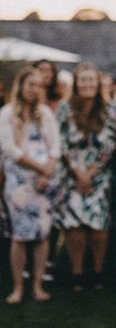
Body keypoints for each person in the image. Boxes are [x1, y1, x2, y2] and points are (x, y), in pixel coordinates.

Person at [0, 66, 61, 303]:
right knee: (20, 235)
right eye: (30, 84)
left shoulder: (45, 113)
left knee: (42, 235)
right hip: (18, 181)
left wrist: (47, 172)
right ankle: (17, 287)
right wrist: (40, 168)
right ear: (21, 86)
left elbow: (55, 146)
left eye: (38, 85)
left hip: (44, 181)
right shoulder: (6, 113)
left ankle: (37, 285)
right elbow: (9, 149)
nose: (34, 89)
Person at [56, 62, 116, 291]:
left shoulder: (110, 109)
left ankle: (99, 272)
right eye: (83, 80)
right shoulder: (65, 108)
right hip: (72, 175)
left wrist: (91, 172)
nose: (87, 84)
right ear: (76, 83)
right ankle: (77, 273)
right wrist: (78, 172)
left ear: (98, 83)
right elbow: (61, 142)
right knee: (75, 225)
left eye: (91, 80)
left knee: (98, 225)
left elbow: (110, 144)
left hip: (98, 176)